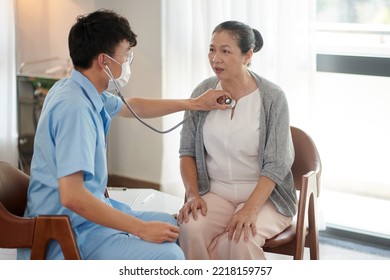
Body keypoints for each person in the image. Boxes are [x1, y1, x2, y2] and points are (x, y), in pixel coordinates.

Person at [17, 9, 230, 260]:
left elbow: (133, 106)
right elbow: (72, 196)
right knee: (170, 256)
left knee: (176, 228)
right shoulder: (74, 108)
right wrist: (140, 229)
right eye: (126, 56)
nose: (128, 62)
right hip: (69, 233)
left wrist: (194, 103)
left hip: (87, 220)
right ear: (104, 61)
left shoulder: (79, 88)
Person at [177, 20, 297, 260]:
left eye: (225, 51)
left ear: (247, 56)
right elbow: (187, 150)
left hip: (264, 197)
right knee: (190, 228)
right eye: (212, 49)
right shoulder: (203, 90)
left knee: (241, 240)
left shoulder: (272, 97)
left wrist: (250, 210)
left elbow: (276, 164)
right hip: (217, 192)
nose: (215, 58)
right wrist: (192, 194)